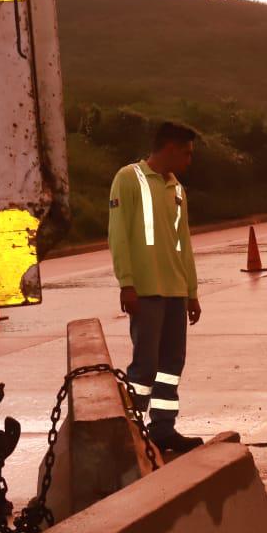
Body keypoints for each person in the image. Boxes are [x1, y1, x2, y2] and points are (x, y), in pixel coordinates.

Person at [107, 121, 205, 455]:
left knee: (171, 364)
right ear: (170, 149)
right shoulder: (128, 178)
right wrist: (127, 283)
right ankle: (132, 429)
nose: (189, 161)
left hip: (176, 290)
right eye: (187, 154)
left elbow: (184, 244)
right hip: (146, 290)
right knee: (144, 364)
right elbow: (118, 234)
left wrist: (191, 292)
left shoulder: (177, 189)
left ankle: (163, 428)